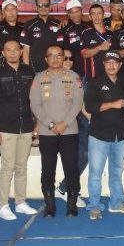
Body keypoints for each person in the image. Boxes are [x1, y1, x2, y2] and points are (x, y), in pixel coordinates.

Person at [30, 45, 84, 217]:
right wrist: (51, 124)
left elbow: (77, 103)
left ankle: (72, 206)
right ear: (46, 59)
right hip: (47, 132)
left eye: (59, 55)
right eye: (51, 55)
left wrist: (64, 123)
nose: (55, 58)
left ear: (63, 57)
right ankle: (50, 207)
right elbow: (35, 104)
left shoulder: (74, 77)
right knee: (47, 170)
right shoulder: (39, 78)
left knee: (71, 169)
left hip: (69, 131)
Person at [0, 40, 37, 220]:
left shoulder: (29, 71)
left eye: (15, 49)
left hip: (26, 127)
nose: (12, 53)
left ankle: (20, 202)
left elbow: (35, 99)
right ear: (3, 53)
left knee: (21, 167)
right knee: (7, 168)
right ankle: (3, 206)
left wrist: (37, 123)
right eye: (8, 50)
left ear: (21, 51)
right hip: (6, 128)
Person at [83, 51, 124, 220]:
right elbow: (90, 107)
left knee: (116, 172)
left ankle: (116, 203)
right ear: (104, 64)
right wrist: (113, 104)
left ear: (120, 65)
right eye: (108, 62)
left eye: (115, 62)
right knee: (95, 173)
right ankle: (94, 206)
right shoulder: (94, 82)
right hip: (99, 135)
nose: (112, 65)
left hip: (119, 135)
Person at [55, 0, 91, 207]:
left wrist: (86, 114)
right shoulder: (52, 78)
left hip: (81, 115)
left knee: (84, 153)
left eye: (78, 11)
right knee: (73, 155)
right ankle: (70, 189)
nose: (68, 61)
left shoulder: (87, 28)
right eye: (72, 12)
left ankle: (66, 187)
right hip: (64, 120)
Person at [21, 0, 61, 73]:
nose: (43, 7)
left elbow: (62, 49)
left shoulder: (58, 24)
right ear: (36, 7)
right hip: (36, 70)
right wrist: (27, 71)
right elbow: (26, 50)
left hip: (56, 69)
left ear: (50, 7)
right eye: (40, 5)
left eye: (46, 5)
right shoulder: (29, 25)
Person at [81, 4, 114, 79]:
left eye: (99, 13)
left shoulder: (110, 33)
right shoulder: (86, 33)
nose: (96, 16)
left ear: (103, 15)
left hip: (109, 76)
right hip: (92, 77)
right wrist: (99, 48)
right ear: (90, 17)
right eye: (93, 14)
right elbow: (84, 54)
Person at [0, 0, 24, 66]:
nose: (11, 12)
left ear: (17, 11)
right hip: (1, 65)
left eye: (13, 9)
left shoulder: (24, 27)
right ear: (3, 12)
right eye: (7, 10)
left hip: (20, 66)